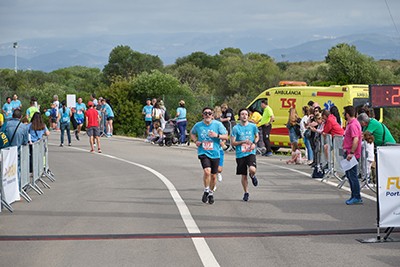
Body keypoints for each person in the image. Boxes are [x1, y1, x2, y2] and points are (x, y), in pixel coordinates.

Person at [190, 107, 228, 205]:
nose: (207, 115)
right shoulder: (198, 125)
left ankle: (210, 193)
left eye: (210, 113)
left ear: (212, 115)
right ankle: (206, 190)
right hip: (203, 152)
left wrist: (217, 136)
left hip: (215, 153)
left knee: (214, 176)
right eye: (205, 113)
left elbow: (226, 136)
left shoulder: (218, 124)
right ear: (202, 115)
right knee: (207, 172)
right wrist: (195, 141)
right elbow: (192, 133)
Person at [231, 108, 259, 201]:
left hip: (250, 152)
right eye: (242, 114)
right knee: (243, 175)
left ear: (248, 116)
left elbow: (257, 136)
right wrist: (243, 141)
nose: (244, 116)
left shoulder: (252, 126)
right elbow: (232, 143)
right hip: (240, 154)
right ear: (239, 116)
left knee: (252, 169)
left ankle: (253, 175)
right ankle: (246, 192)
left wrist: (254, 143)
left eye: (246, 114)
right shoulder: (236, 128)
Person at [342, 106, 363, 205]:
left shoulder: (353, 124)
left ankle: (357, 196)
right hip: (348, 153)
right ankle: (353, 195)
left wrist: (351, 153)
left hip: (352, 154)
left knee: (352, 175)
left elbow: (356, 139)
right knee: (350, 175)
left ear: (347, 114)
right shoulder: (350, 123)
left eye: (344, 113)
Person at [5, 109, 29, 187]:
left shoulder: (5, 125)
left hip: (5, 152)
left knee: (5, 171)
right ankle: (17, 190)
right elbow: (25, 141)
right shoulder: (23, 127)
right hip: (17, 152)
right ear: (21, 117)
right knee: (16, 171)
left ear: (12, 115)